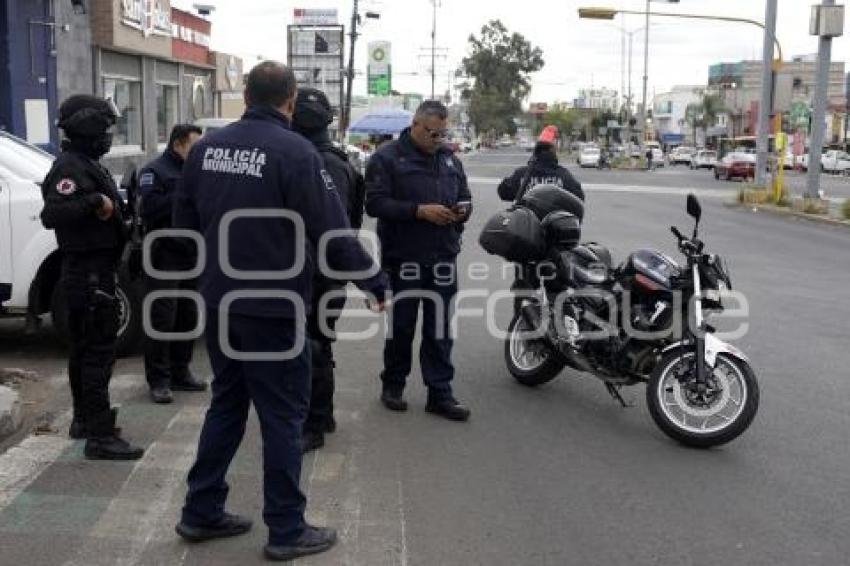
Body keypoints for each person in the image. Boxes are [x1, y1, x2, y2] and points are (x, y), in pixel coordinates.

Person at [173, 61, 388, 562]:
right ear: (289, 101)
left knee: (226, 403)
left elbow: (184, 226)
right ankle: (287, 528)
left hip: (221, 302)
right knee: (283, 417)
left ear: (246, 95)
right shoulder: (296, 152)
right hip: (273, 309)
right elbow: (333, 233)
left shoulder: (204, 150)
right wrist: (375, 281)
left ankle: (200, 510)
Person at [40, 94, 144, 461]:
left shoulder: (84, 162)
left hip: (94, 272)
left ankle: (85, 419)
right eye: (104, 127)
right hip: (88, 275)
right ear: (88, 127)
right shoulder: (70, 167)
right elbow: (53, 213)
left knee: (85, 350)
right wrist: (96, 203)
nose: (108, 135)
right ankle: (100, 435)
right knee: (98, 353)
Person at [365, 100, 472, 421]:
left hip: (442, 256)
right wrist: (418, 211)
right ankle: (393, 385)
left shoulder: (449, 159)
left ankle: (440, 393)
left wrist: (462, 210)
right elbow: (375, 204)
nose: (438, 139)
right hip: (404, 258)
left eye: (442, 133)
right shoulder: (387, 157)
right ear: (415, 125)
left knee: (439, 329)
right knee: (402, 327)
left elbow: (465, 196)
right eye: (432, 133)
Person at [291, 87, 365, 453]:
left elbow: (331, 226)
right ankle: (323, 414)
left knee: (314, 347)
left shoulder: (324, 162)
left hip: (321, 270)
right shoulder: (322, 157)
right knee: (318, 343)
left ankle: (314, 424)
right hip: (321, 267)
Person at [138, 124, 207, 404]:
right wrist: (185, 195)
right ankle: (159, 380)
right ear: (178, 144)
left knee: (187, 316)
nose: (199, 151)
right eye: (194, 145)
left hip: (191, 253)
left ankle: (181, 371)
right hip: (164, 255)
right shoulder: (155, 172)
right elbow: (149, 207)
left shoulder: (196, 172)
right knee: (162, 319)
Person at [497, 125, 585, 203]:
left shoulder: (521, 174)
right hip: (552, 219)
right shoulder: (564, 175)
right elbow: (579, 197)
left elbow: (503, 192)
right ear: (553, 150)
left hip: (526, 220)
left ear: (536, 150)